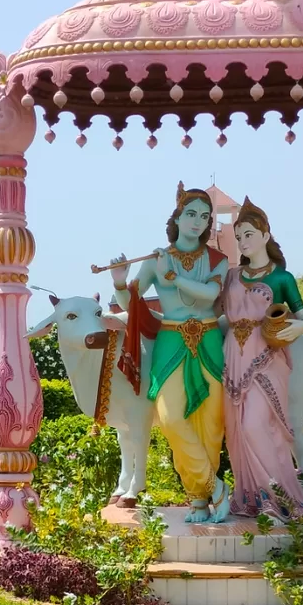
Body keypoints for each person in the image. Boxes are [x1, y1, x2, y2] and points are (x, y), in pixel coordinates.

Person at [109, 185, 231, 523]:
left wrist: (173, 276)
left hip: (208, 342)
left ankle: (198, 502)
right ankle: (214, 487)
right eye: (190, 214)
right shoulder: (153, 260)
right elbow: (130, 306)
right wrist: (120, 283)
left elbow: (208, 297)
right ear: (177, 217)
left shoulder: (218, 261)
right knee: (173, 419)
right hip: (170, 344)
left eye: (204, 216)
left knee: (210, 425)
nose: (197, 222)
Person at [221, 199, 303, 519]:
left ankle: (281, 496)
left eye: (248, 234)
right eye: (239, 236)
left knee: (255, 424)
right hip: (232, 355)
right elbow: (220, 318)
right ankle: (253, 498)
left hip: (267, 356)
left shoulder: (283, 278)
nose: (243, 241)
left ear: (265, 235)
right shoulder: (231, 277)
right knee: (236, 430)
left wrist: (299, 325)